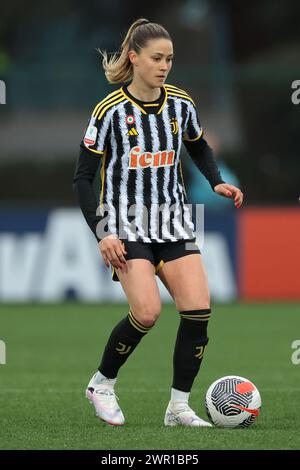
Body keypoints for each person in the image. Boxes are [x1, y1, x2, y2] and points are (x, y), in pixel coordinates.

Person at [73, 18, 243, 427]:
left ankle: (178, 408)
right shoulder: (109, 111)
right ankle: (102, 383)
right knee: (147, 313)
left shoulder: (181, 103)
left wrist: (216, 182)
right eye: (156, 58)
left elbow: (198, 146)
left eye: (169, 58)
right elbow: (82, 177)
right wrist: (102, 232)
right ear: (134, 58)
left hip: (174, 223)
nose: (164, 65)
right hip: (125, 227)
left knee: (198, 311)